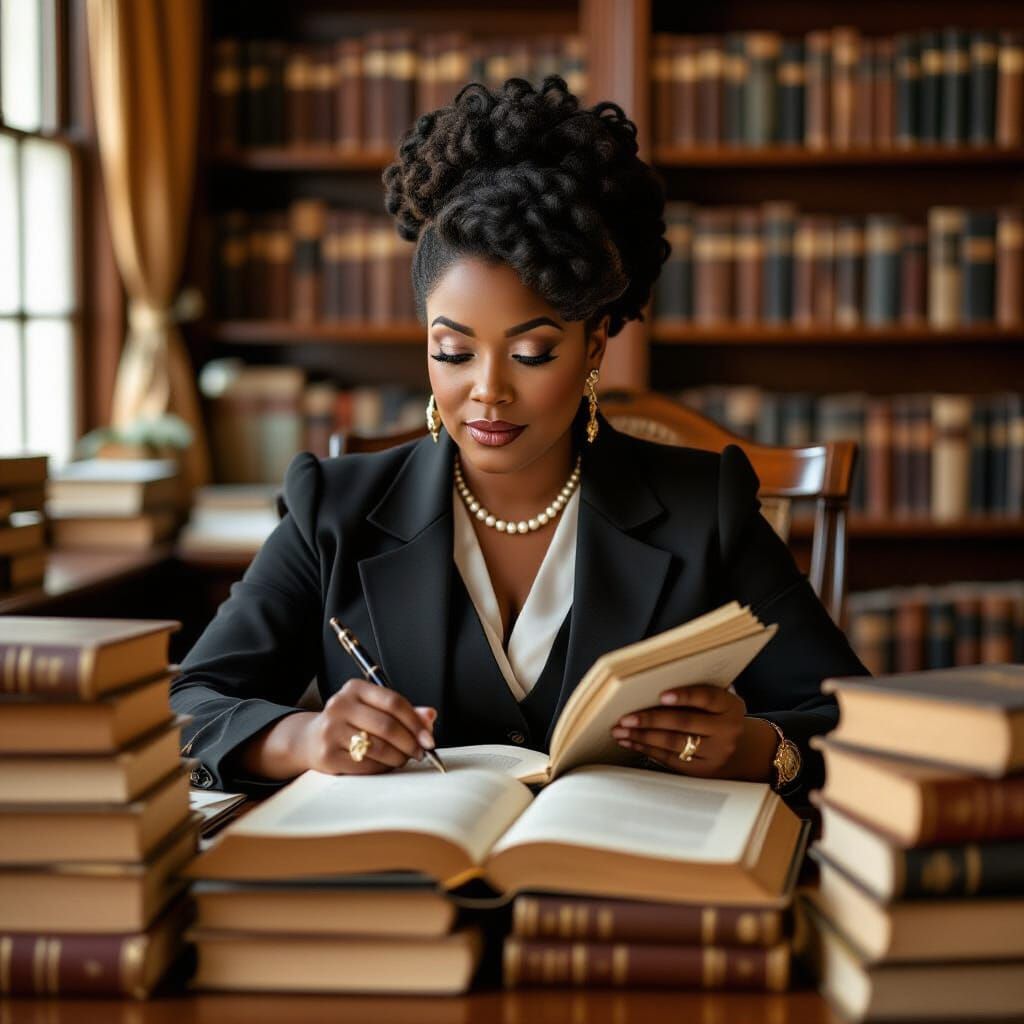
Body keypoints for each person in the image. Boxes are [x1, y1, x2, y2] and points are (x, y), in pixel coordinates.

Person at [171, 75, 868, 801]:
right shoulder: (333, 510)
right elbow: (189, 706)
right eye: (453, 351)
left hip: (628, 866)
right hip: (401, 866)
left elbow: (851, 720)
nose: (489, 389)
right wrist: (305, 737)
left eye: (532, 353)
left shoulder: (705, 509)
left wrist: (759, 747)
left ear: (594, 345)